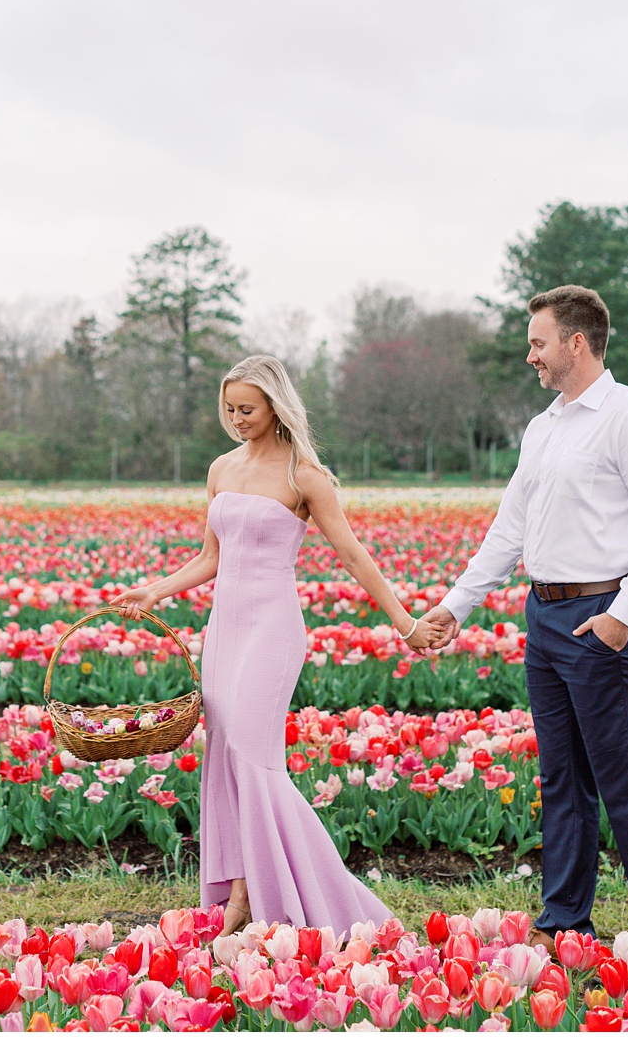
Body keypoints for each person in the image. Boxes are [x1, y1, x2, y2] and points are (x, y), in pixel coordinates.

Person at [410, 285, 628, 954]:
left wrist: (624, 616)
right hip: (545, 614)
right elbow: (510, 528)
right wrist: (457, 602)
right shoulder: (544, 426)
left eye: (538, 343)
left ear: (576, 342)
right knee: (561, 777)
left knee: (622, 775)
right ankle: (566, 919)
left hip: (602, 615)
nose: (530, 355)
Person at [115, 355, 427, 937]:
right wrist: (155, 590)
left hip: (272, 629)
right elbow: (210, 557)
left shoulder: (304, 476)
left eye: (248, 409)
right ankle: (241, 887)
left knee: (253, 755)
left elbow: (352, 554)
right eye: (230, 408)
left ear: (276, 408)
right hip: (224, 631)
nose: (237, 419)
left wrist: (404, 621)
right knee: (224, 754)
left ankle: (254, 898)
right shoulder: (221, 468)